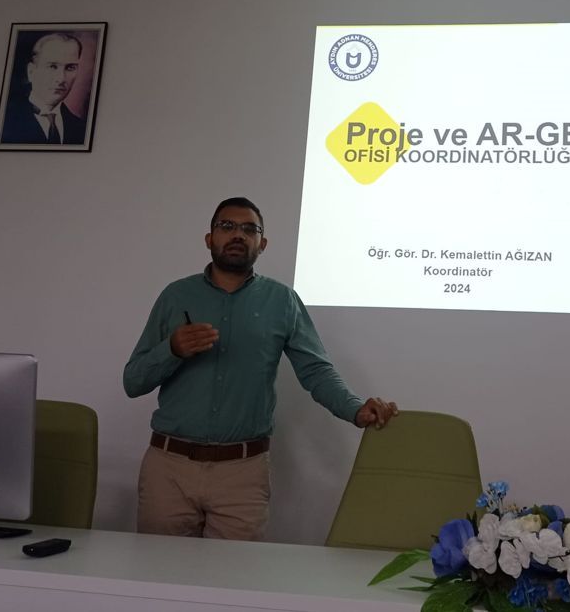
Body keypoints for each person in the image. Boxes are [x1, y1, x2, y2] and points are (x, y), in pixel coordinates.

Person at [123, 196, 399, 541]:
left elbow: (316, 371)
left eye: (249, 229)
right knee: (157, 571)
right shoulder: (175, 296)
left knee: (234, 575)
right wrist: (172, 349)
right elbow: (133, 381)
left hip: (243, 473)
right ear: (209, 239)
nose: (237, 234)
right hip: (169, 469)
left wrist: (355, 409)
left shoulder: (282, 301)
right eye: (227, 226)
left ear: (262, 243)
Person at [0, 32, 86, 145]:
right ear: (31, 72)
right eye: (52, 66)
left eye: (70, 67)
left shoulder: (82, 129)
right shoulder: (4, 121)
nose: (61, 79)